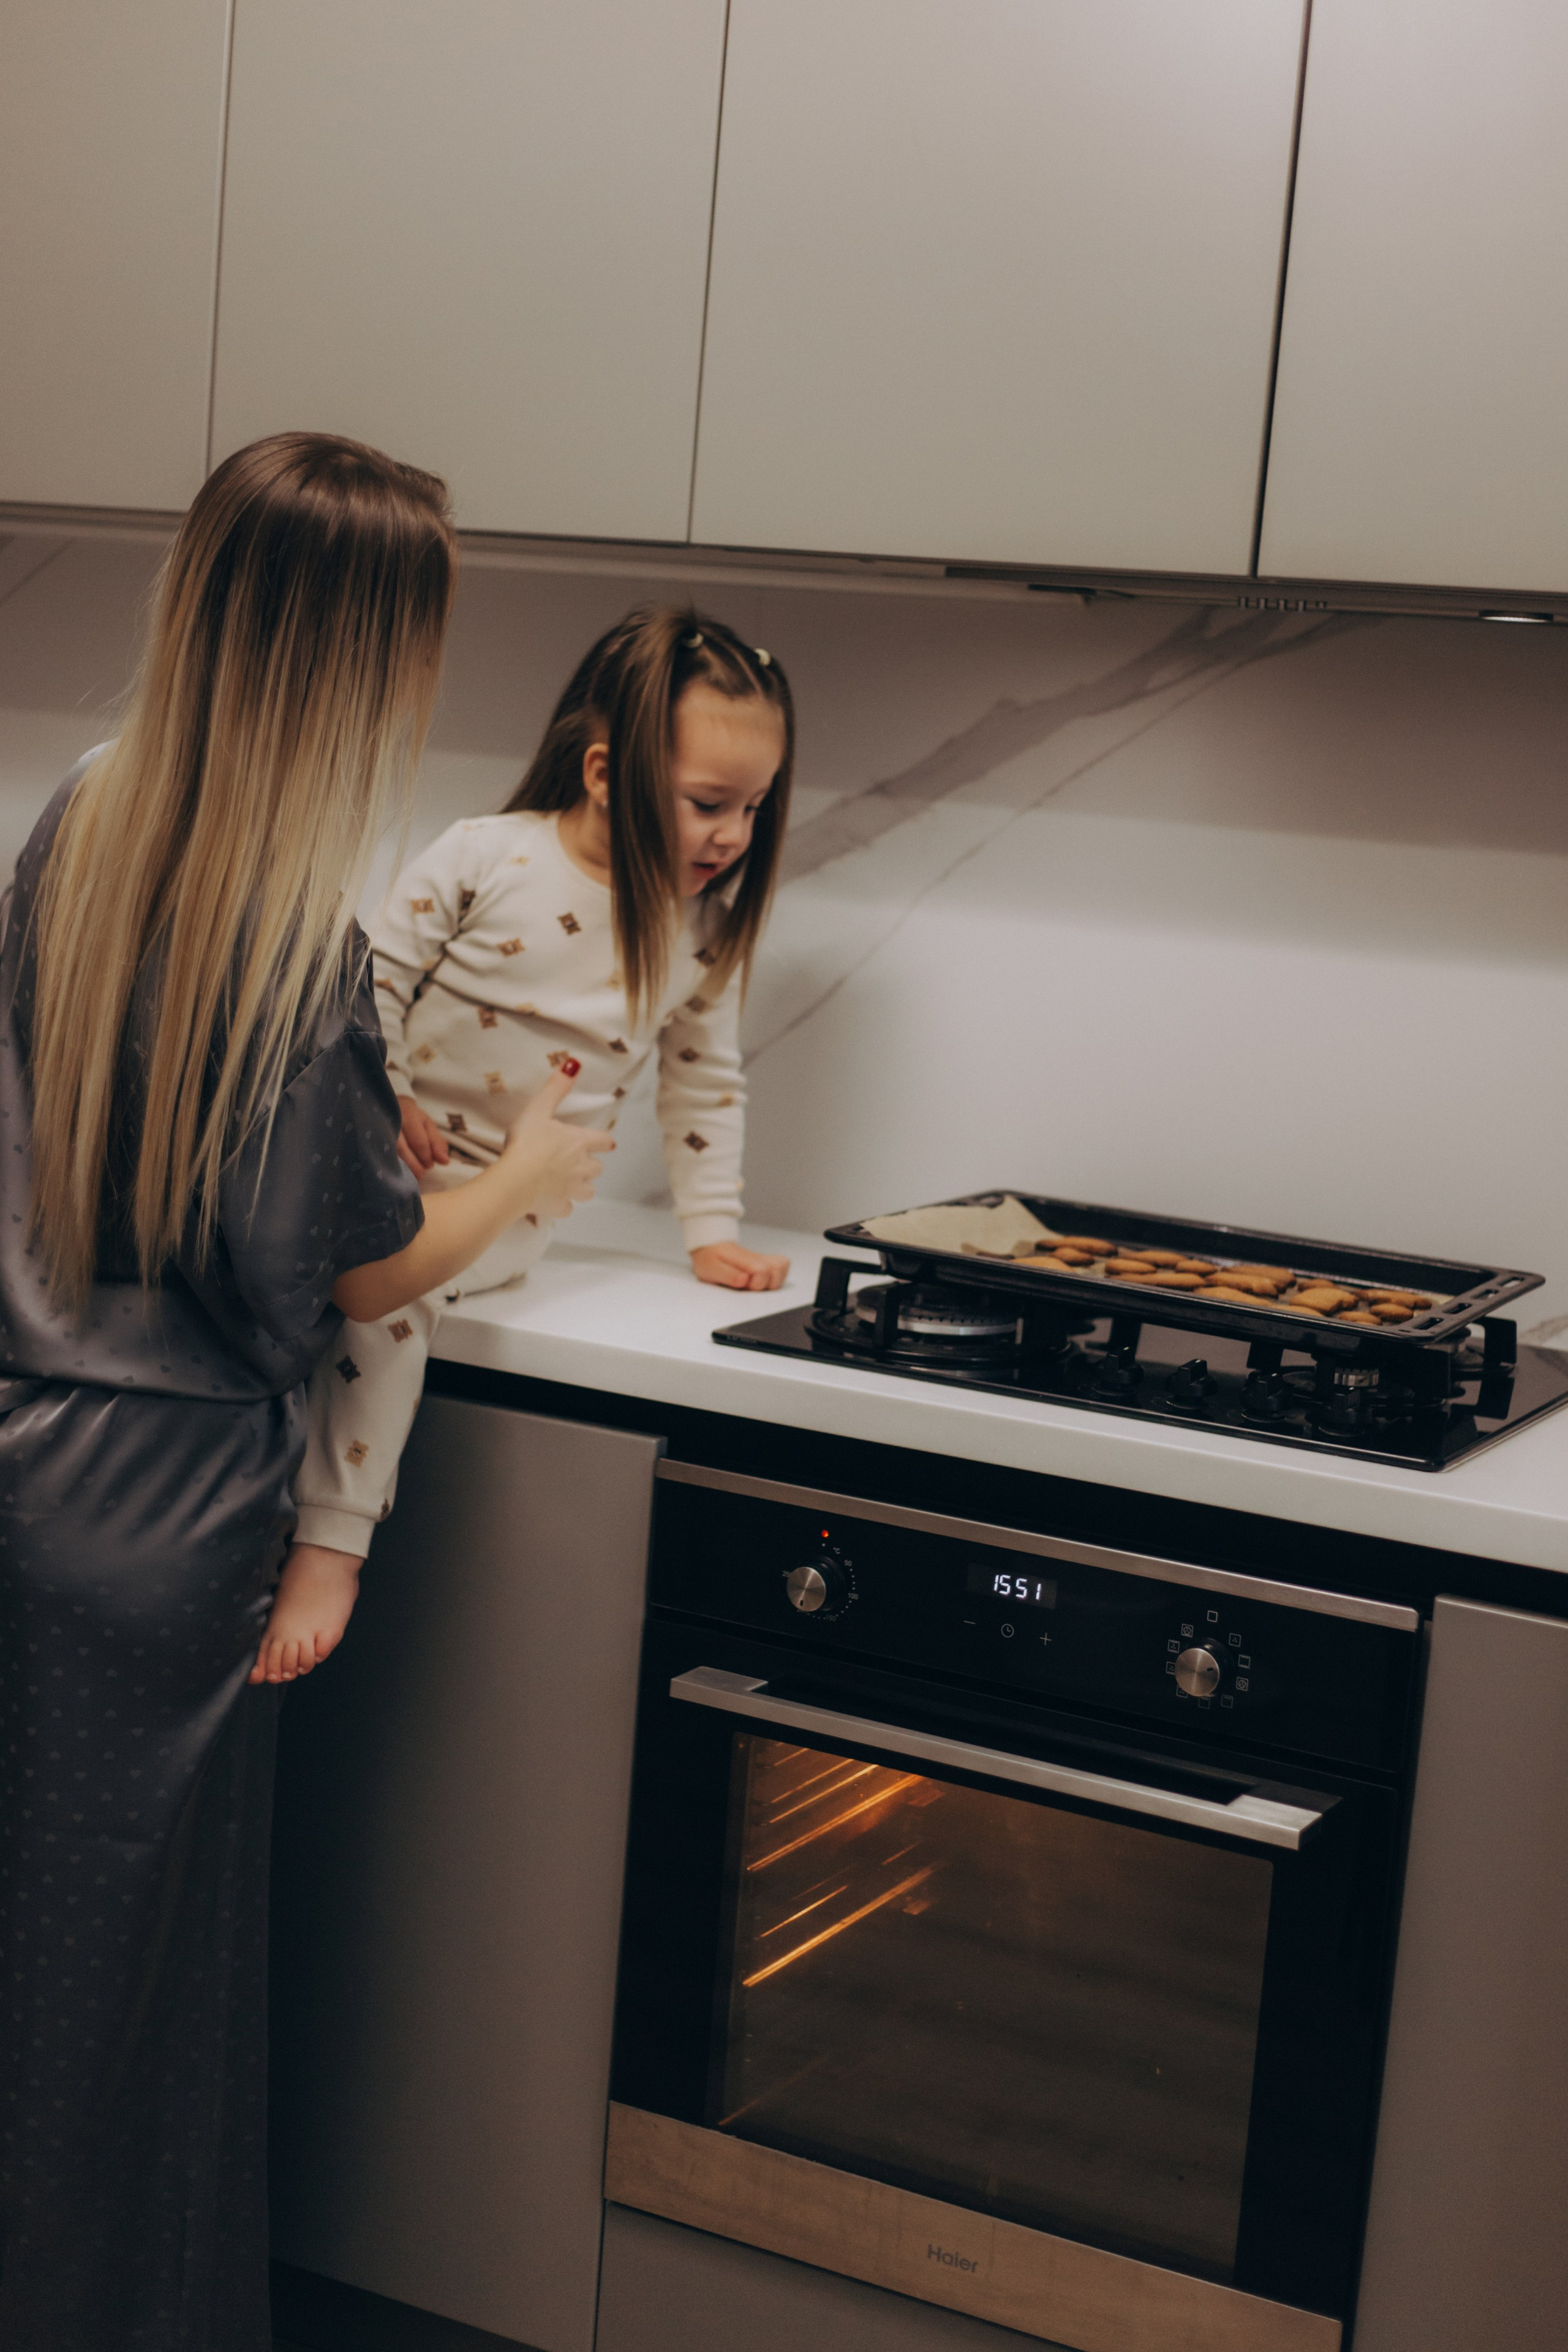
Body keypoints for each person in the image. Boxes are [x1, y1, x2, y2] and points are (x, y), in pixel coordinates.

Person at [0, 432, 611, 2351]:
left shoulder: (84, 813)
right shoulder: (293, 923)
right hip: (173, 1514)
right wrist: (518, 1174)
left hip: (28, 1457)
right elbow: (349, 1270)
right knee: (132, 2034)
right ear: (361, 660)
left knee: (33, 1996)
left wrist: (357, 1124)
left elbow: (139, 1129)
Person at [288, 605, 793, 1577]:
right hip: (374, 1153)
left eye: (754, 805)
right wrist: (385, 1094)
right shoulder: (487, 855)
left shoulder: (702, 934)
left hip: (510, 1199)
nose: (734, 834)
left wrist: (713, 1230)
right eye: (707, 801)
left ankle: (331, 1538)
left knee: (390, 1298)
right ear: (604, 776)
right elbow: (365, 988)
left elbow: (703, 1085)